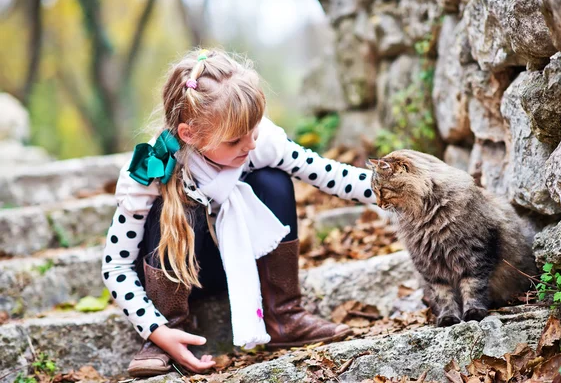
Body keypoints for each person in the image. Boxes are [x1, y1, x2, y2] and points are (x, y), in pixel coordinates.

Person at [102, 48, 376, 378]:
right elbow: (115, 265)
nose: (249, 145)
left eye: (254, 130)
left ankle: (283, 315)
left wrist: (395, 189)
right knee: (173, 205)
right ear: (190, 134)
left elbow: (329, 174)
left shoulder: (258, 141)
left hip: (236, 260)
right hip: (179, 274)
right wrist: (156, 329)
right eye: (234, 141)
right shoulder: (151, 169)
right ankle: (169, 333)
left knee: (273, 179)